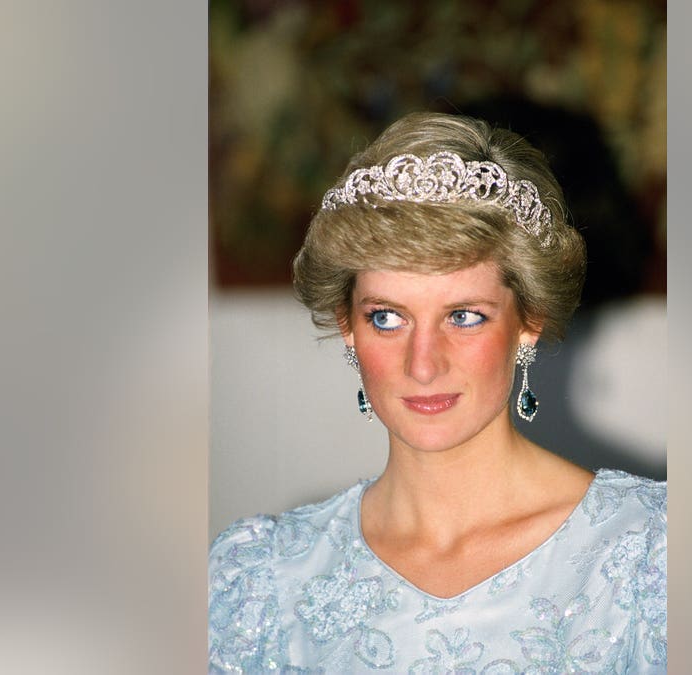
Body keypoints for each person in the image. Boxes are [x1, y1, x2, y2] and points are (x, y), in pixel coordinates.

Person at [209, 112, 666, 673]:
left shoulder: (652, 558)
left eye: (465, 316)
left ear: (529, 321)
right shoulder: (262, 577)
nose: (422, 365)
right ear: (347, 327)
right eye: (387, 318)